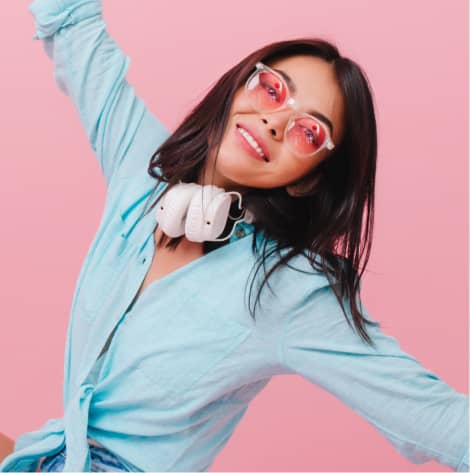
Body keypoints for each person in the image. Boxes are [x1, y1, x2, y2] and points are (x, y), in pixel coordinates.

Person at [1, 0, 468, 471]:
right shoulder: (141, 175)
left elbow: (444, 423)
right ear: (240, 87)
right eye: (271, 89)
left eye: (307, 132)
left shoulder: (287, 290)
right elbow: (75, 29)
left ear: (306, 179)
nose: (275, 122)